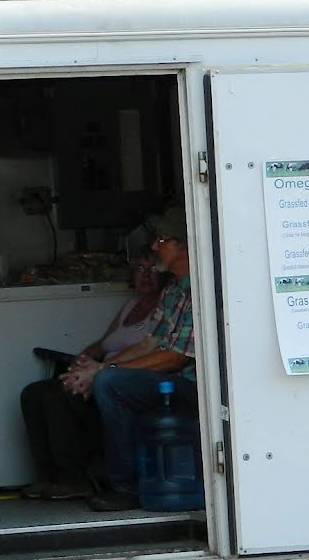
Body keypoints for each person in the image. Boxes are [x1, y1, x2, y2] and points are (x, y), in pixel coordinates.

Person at [64, 204, 196, 512]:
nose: (154, 247)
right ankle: (84, 476)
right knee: (99, 381)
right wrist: (97, 367)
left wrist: (105, 370)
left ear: (184, 245)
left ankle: (126, 487)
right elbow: (151, 342)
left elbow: (174, 358)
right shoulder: (174, 289)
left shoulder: (201, 289)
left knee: (110, 383)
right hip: (168, 380)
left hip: (193, 387)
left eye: (161, 241)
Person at [18, 248, 167, 500]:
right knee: (34, 393)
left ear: (164, 274)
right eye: (141, 269)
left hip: (124, 378)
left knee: (57, 396)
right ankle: (48, 477)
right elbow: (102, 344)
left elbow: (150, 348)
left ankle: (75, 479)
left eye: (153, 269)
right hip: (101, 371)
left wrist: (97, 371)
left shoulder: (165, 308)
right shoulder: (131, 306)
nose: (146, 275)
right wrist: (79, 365)